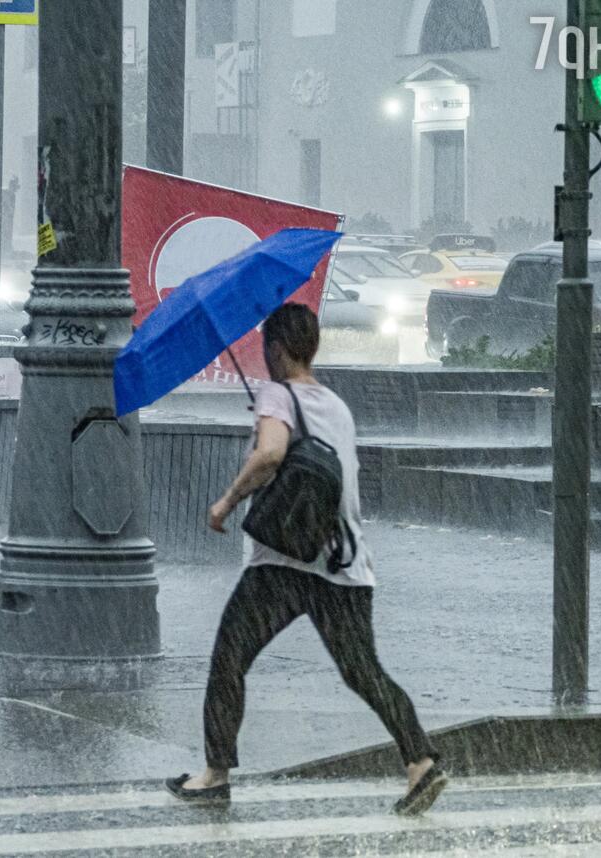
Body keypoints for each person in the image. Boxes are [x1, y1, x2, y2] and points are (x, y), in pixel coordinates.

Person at [165, 302, 447, 816]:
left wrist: (227, 501)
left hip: (282, 563)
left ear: (275, 350)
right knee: (364, 671)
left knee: (230, 658)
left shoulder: (275, 393)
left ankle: (215, 774)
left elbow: (271, 453)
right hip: (343, 562)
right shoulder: (337, 405)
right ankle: (420, 762)